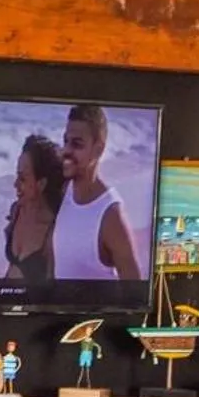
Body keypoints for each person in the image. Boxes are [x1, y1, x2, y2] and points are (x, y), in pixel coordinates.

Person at [58, 104, 140, 281]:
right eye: (65, 141)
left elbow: (134, 295)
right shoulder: (61, 191)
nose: (66, 150)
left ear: (98, 149)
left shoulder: (111, 216)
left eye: (77, 144)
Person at [3, 134, 63, 284]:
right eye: (17, 176)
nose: (15, 184)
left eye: (22, 178)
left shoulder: (53, 231)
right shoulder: (16, 211)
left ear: (41, 184)